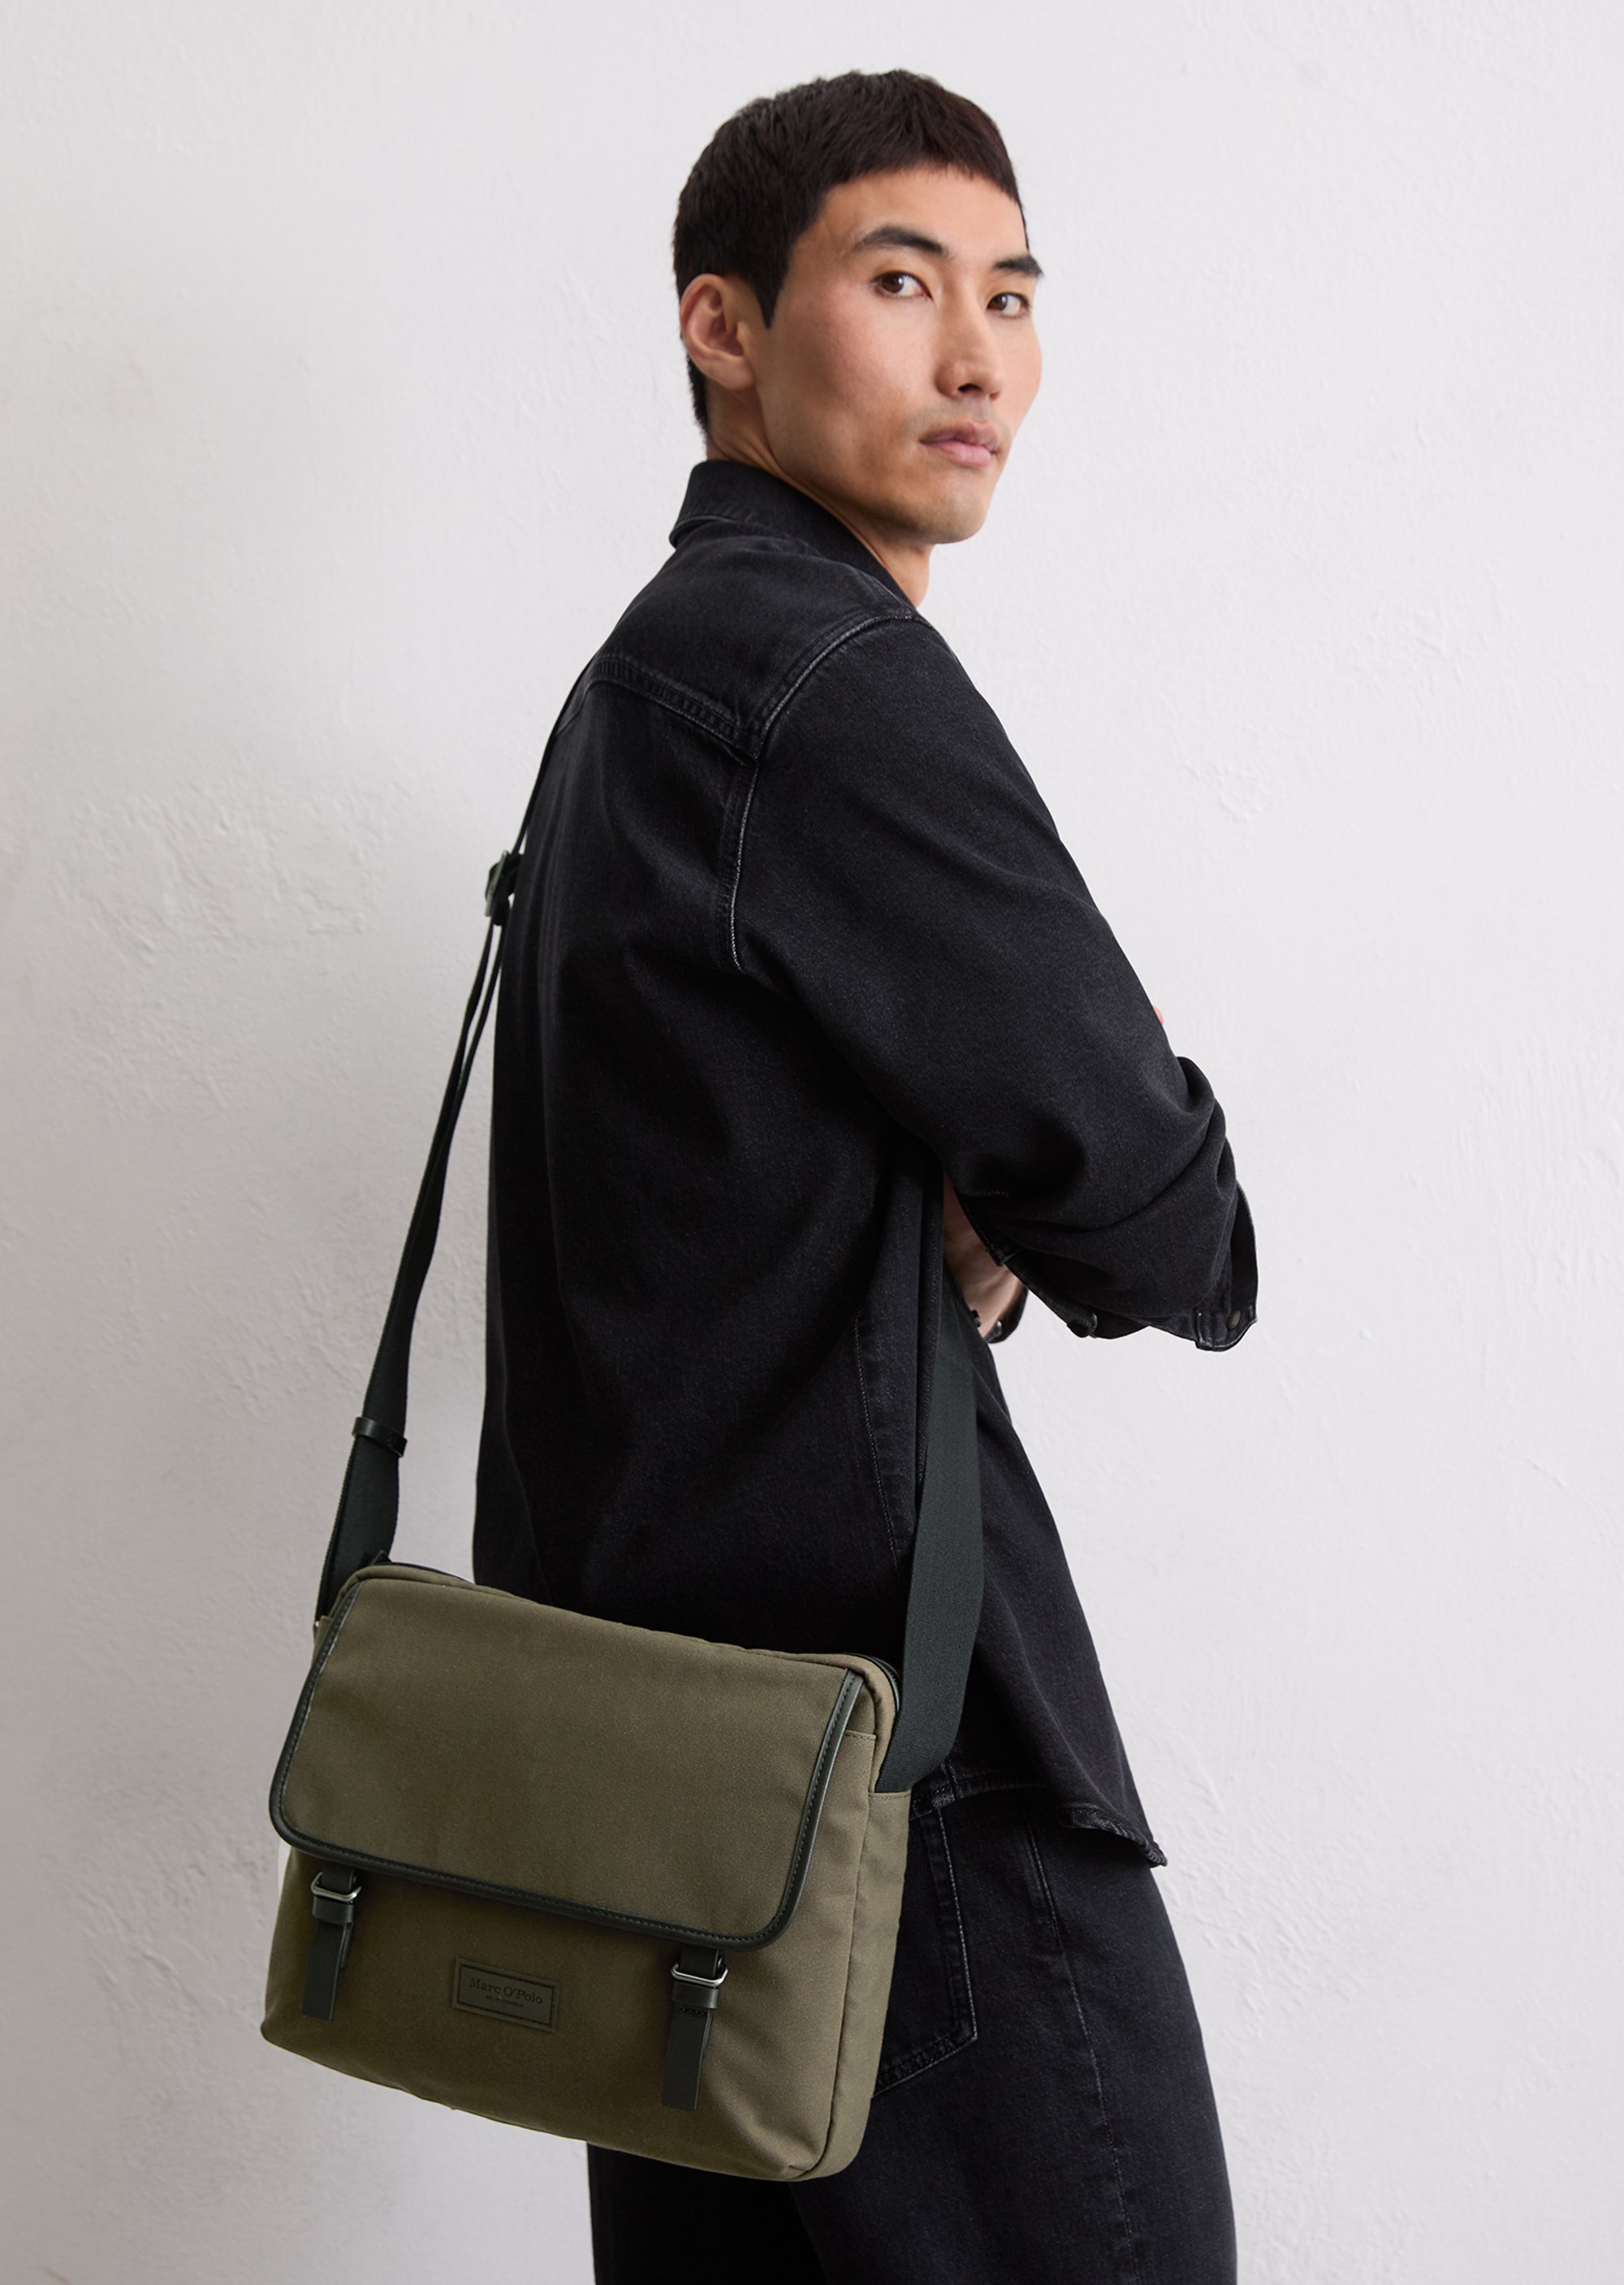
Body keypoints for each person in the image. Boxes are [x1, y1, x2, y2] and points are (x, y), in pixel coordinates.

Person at [474, 67, 1256, 2285]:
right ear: (722, 325)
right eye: (903, 283)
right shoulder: (822, 673)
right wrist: (1072, 1208)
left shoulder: (631, 690)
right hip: (903, 1803)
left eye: (1011, 294)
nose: (978, 355)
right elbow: (1163, 1208)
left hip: (665, 1809)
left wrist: (947, 1222)